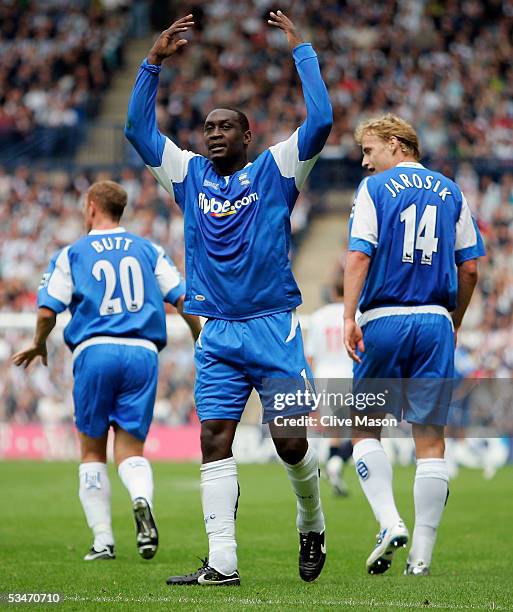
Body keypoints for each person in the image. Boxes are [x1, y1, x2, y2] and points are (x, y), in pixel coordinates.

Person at [125, 11, 332, 585]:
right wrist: (151, 64)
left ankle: (311, 519)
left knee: (290, 442)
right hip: (217, 332)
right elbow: (139, 135)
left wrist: (302, 52)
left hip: (273, 328)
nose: (212, 133)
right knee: (213, 437)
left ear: (247, 136)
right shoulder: (187, 177)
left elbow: (322, 121)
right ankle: (223, 561)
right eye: (208, 127)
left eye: (225, 127)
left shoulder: (276, 170)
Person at [12, 180, 201, 561]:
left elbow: (49, 309)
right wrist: (200, 337)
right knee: (131, 449)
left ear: (92, 206)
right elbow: (183, 298)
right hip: (143, 353)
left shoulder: (73, 253)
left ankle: (103, 541)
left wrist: (37, 342)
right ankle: (142, 500)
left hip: (95, 350)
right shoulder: (148, 249)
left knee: (92, 450)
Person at [343, 114, 485, 576]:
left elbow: (360, 253)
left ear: (396, 143)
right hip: (435, 322)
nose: (365, 162)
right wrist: (455, 319)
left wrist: (349, 314)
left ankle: (388, 522)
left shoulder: (376, 190)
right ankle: (420, 559)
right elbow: (470, 269)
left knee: (364, 429)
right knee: (431, 441)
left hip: (383, 320)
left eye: (369, 150)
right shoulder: (453, 192)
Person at [305, 277, 353, 496]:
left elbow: (310, 355)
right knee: (364, 429)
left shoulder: (317, 317)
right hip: (349, 374)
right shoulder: (356, 313)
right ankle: (338, 461)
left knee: (335, 430)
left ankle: (335, 465)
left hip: (324, 377)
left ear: (333, 292)